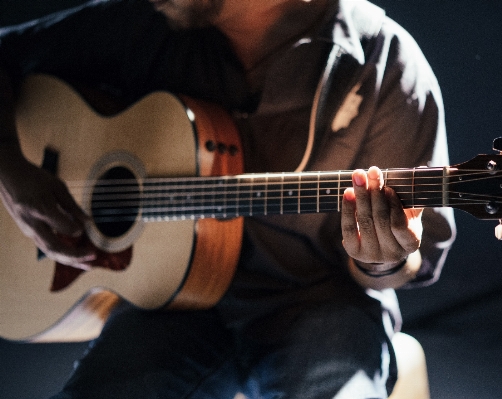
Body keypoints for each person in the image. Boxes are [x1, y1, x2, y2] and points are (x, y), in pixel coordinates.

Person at [0, 0, 455, 398]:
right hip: (170, 308)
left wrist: (382, 258)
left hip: (321, 303)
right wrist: (13, 172)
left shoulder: (385, 62)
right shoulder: (143, 22)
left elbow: (408, 263)